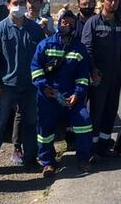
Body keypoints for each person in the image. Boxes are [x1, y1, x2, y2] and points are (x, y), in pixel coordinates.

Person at [0, 0, 45, 178]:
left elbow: (42, 56)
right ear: (7, 5)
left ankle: (30, 159)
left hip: (29, 86)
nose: (19, 6)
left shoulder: (35, 30)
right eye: (15, 3)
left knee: (31, 123)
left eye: (22, 2)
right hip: (6, 86)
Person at [31, 10, 93, 175]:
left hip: (72, 96)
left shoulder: (79, 48)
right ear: (59, 23)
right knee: (45, 131)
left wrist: (77, 94)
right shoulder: (45, 45)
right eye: (64, 22)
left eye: (71, 23)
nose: (67, 25)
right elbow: (36, 69)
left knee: (84, 123)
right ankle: (48, 162)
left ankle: (84, 159)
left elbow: (83, 75)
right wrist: (44, 87)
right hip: (47, 96)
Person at [80, 0, 121, 158]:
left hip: (115, 76)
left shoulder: (120, 24)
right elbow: (87, 49)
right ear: (102, 2)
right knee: (96, 113)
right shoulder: (93, 22)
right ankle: (91, 149)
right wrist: (93, 70)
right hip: (99, 77)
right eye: (110, 0)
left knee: (110, 112)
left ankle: (104, 146)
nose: (113, 3)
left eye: (116, 0)